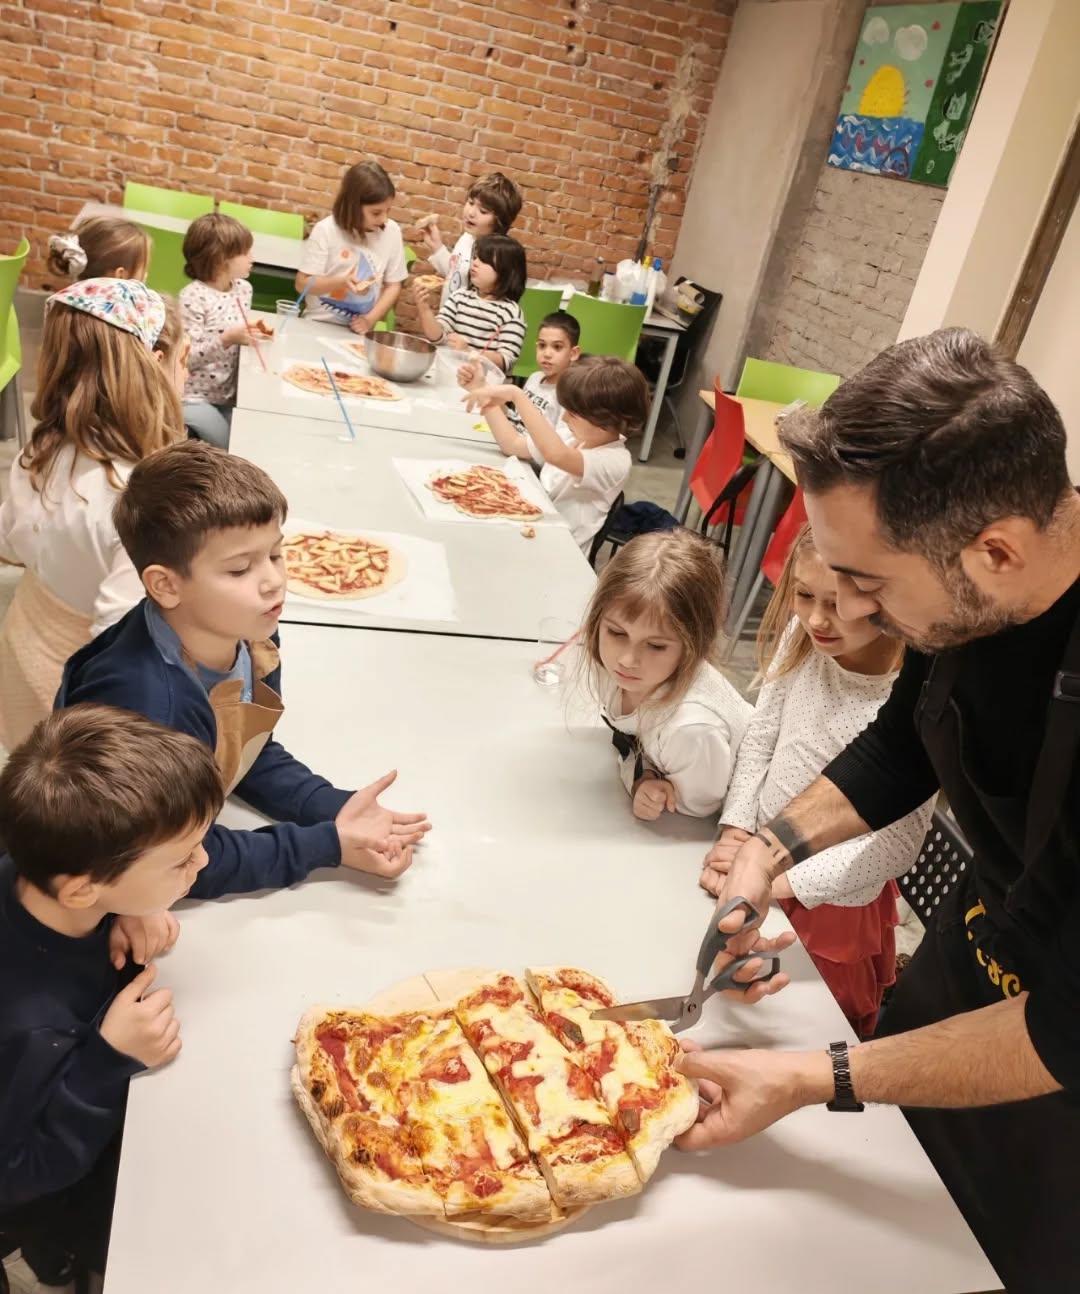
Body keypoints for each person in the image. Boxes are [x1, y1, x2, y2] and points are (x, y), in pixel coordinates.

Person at [687, 328, 1080, 1293]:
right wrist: (769, 847)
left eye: (869, 583)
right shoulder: (974, 592)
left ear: (996, 550)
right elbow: (910, 737)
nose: (851, 610)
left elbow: (1069, 1029)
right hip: (968, 964)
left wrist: (811, 1078)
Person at [56, 440, 431, 896]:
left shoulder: (249, 633)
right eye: (239, 570)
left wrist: (333, 807)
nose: (273, 580)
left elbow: (246, 752)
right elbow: (179, 862)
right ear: (166, 585)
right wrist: (325, 845)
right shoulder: (146, 705)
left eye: (275, 554)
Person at [0, 704, 225, 1280]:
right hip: (51, 1203)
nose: (202, 861)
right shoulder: (30, 1025)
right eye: (181, 860)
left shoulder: (44, 873)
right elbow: (19, 1173)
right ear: (80, 889)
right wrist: (107, 1061)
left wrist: (124, 910)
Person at [705, 524, 933, 1036]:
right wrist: (738, 830)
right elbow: (762, 736)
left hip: (831, 904)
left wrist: (781, 880)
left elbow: (895, 845)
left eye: (834, 602)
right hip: (762, 859)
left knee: (794, 1029)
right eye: (804, 595)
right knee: (727, 1013)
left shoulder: (911, 695)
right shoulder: (805, 637)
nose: (815, 618)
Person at [0, 279, 185, 751]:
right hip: (73, 699)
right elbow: (120, 646)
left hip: (19, 651)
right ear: (158, 364)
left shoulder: (38, 451)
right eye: (185, 362)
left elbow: (9, 542)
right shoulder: (145, 500)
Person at [580, 529, 750, 819]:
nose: (627, 660)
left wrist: (645, 784)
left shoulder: (692, 729)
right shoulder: (613, 669)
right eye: (617, 632)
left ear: (692, 646)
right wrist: (645, 771)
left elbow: (699, 807)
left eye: (656, 646)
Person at [464, 355, 642, 553]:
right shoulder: (571, 435)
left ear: (606, 420)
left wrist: (517, 395)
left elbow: (556, 455)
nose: (564, 418)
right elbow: (512, 444)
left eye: (572, 413)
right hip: (533, 532)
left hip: (562, 550)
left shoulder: (615, 460)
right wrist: (483, 396)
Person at [295, 160, 408, 334]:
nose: (384, 219)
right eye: (376, 213)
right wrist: (341, 282)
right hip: (317, 324)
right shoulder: (326, 230)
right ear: (353, 206)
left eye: (388, 211)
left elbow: (394, 285)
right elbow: (302, 284)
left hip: (359, 331)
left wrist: (370, 320)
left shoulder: (391, 232)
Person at [179, 212, 257, 451]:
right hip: (194, 398)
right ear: (221, 259)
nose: (252, 258)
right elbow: (185, 359)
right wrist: (226, 339)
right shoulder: (192, 297)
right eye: (245, 253)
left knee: (251, 438)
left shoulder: (244, 289)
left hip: (231, 394)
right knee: (231, 448)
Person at [413, 233, 527, 373]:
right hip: (451, 374)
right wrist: (424, 308)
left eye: (484, 260)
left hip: (484, 385)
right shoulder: (460, 296)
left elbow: (506, 360)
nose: (475, 263)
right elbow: (437, 336)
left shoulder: (511, 312)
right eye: (475, 257)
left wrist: (469, 352)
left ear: (506, 272)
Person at [458, 310, 581, 432]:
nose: (547, 354)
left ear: (573, 353)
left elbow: (558, 446)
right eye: (542, 345)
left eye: (557, 347)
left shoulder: (570, 395)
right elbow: (517, 421)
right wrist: (481, 387)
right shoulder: (535, 378)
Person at [416, 171, 523, 305]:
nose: (471, 213)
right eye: (471, 203)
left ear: (500, 220)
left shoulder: (496, 254)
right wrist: (436, 247)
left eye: (483, 211)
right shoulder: (467, 238)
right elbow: (454, 275)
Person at [46, 216, 150, 284]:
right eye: (143, 268)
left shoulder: (64, 304)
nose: (146, 274)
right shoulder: (138, 313)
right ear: (120, 276)